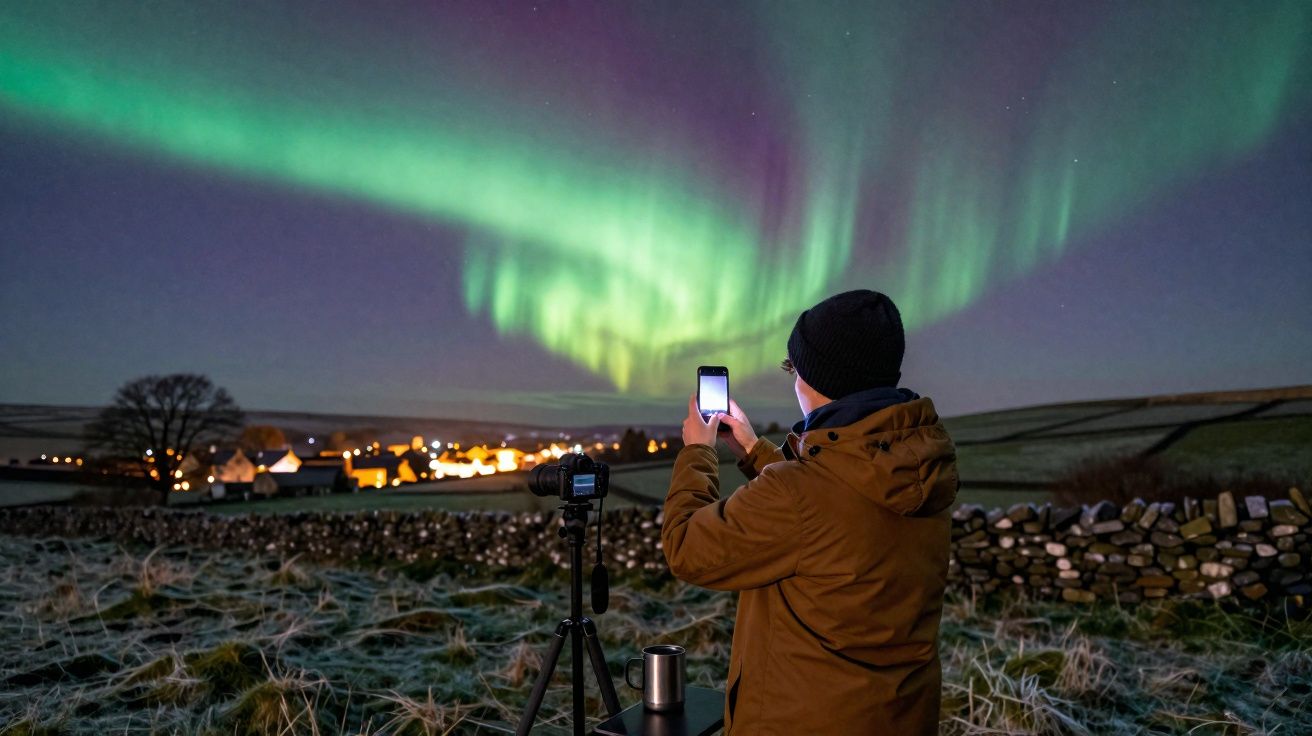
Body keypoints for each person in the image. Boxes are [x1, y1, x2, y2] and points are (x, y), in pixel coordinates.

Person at [662, 289, 958, 735]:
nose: (794, 382)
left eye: (794, 370)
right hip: (899, 716)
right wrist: (754, 450)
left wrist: (697, 453)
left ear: (818, 380)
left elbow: (686, 547)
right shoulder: (916, 462)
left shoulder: (799, 494)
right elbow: (833, 510)